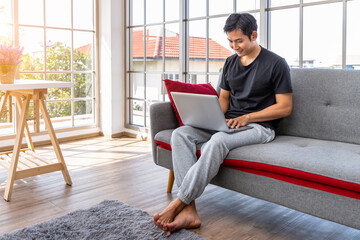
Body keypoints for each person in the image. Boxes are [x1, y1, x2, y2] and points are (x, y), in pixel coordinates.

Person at [153, 12, 293, 236]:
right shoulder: (230, 62)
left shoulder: (276, 63)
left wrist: (247, 117)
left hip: (260, 127)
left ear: (254, 35)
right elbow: (224, 99)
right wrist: (211, 119)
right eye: (230, 41)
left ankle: (180, 202)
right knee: (180, 134)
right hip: (229, 122)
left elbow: (285, 107)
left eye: (239, 41)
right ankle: (190, 211)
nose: (234, 46)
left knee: (218, 140)